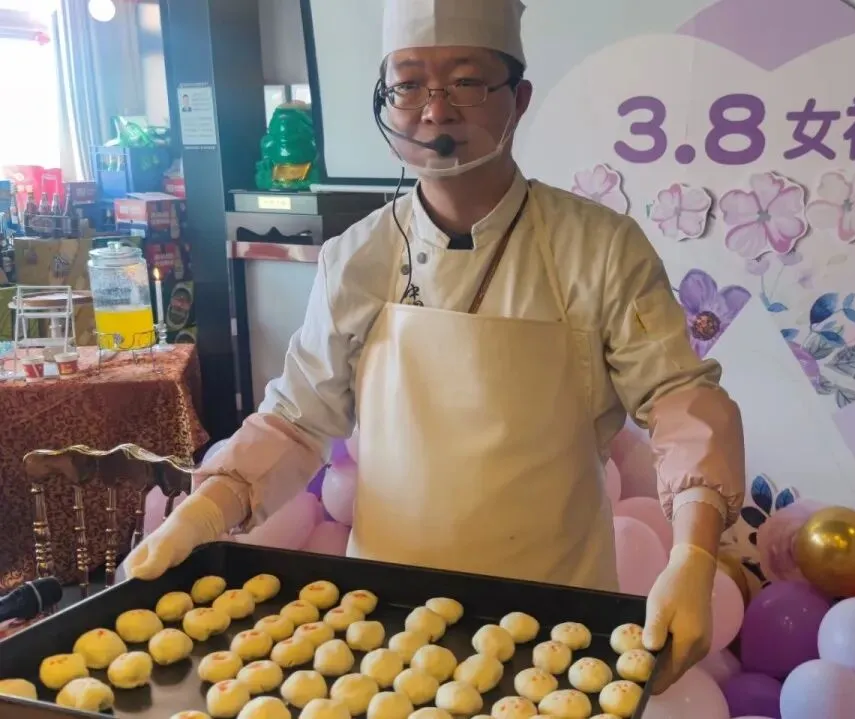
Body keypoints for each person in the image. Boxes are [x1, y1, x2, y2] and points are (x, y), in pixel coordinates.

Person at [124, 0, 745, 692]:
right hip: (385, 623)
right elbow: (297, 419)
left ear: (519, 100)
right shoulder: (356, 257)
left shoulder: (598, 249)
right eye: (409, 84)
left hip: (553, 620)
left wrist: (693, 553)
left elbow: (679, 397)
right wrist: (205, 509)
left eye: (466, 82)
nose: (435, 109)